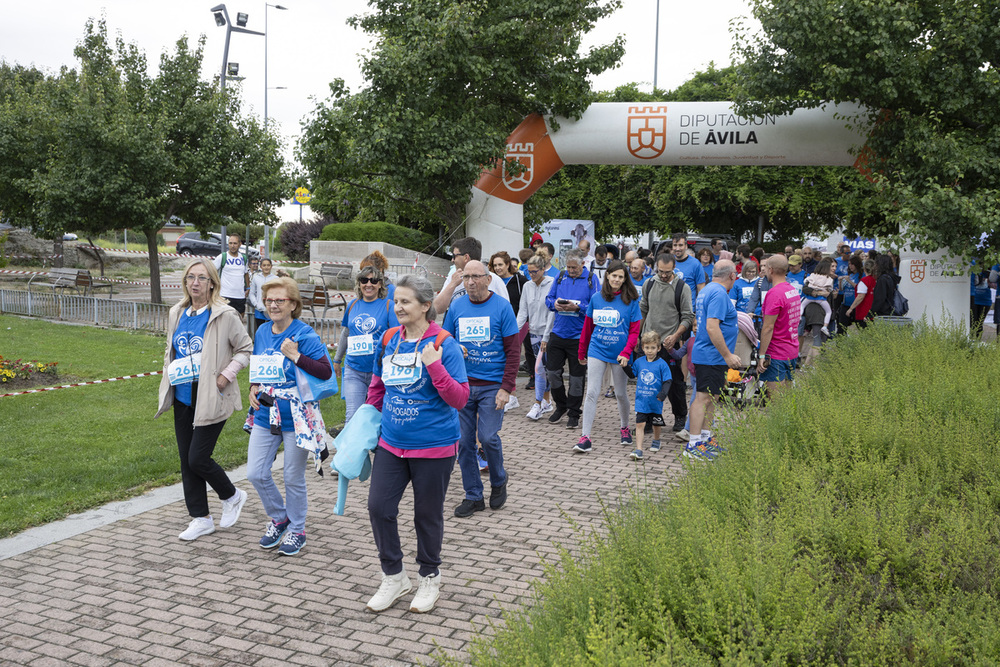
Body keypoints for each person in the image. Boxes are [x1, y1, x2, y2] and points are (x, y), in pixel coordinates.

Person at [364, 275, 470, 614]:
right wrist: (369, 422)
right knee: (379, 508)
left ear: (426, 305)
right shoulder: (390, 338)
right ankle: (394, 575)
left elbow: (460, 399)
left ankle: (429, 576)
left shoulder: (444, 343)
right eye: (396, 301)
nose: (398, 307)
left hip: (434, 446)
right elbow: (378, 385)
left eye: (406, 302)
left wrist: (435, 366)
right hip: (392, 444)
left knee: (426, 515)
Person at [155, 258, 253, 541]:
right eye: (190, 278)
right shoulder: (178, 312)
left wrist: (226, 374)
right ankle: (201, 518)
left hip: (213, 393)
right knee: (187, 460)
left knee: (198, 457)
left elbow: (245, 349)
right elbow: (170, 348)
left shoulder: (225, 314)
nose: (195, 283)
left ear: (212, 283)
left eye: (201, 278)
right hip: (184, 394)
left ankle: (232, 495)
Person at [247, 277, 333, 556]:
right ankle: (279, 517)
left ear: (293, 304)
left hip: (296, 416)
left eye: (279, 300)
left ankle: (297, 530)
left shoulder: (304, 334)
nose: (273, 304)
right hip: (265, 412)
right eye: (269, 300)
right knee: (256, 473)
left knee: (292, 476)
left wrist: (296, 356)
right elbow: (261, 367)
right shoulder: (262, 331)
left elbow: (325, 372)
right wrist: (253, 387)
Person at [442, 260, 519, 517]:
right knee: (464, 443)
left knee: (487, 437)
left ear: (488, 279)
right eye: (466, 278)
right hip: (463, 385)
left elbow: (513, 350)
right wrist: (454, 345)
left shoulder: (502, 307)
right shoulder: (457, 306)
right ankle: (473, 496)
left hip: (492, 385)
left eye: (476, 277)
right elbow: (443, 338)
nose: (471, 282)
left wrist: (506, 387)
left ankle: (498, 480)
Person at [574, 260, 642, 453]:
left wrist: (626, 352)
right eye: (614, 276)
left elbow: (635, 331)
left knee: (620, 393)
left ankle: (624, 428)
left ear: (624, 278)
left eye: (621, 276)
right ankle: (585, 437)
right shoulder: (596, 298)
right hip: (597, 350)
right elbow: (588, 327)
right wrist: (582, 351)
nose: (617, 280)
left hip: (620, 354)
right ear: (607, 276)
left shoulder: (632, 300)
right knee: (592, 392)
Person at [685, 261, 741, 461]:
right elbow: (711, 326)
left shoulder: (708, 289)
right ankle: (693, 444)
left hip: (712, 356)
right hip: (711, 355)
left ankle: (706, 439)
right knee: (703, 398)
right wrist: (727, 355)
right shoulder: (718, 293)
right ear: (733, 275)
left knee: (713, 398)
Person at [333, 266, 399, 425]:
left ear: (380, 285)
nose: (368, 284)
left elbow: (396, 337)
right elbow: (346, 333)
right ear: (359, 283)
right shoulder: (353, 304)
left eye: (373, 281)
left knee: (377, 418)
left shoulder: (389, 306)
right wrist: (337, 359)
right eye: (364, 280)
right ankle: (353, 450)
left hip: (379, 373)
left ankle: (377, 448)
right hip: (353, 370)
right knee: (352, 418)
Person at [639, 253, 694, 433]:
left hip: (670, 344)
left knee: (675, 383)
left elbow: (687, 317)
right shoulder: (649, 284)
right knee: (648, 384)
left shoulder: (682, 287)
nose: (663, 275)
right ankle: (648, 420)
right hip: (649, 343)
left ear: (674, 268)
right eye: (661, 271)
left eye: (667, 272)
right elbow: (643, 311)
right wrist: (638, 336)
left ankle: (680, 416)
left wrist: (676, 335)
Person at [544, 250, 598, 429]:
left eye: (574, 267)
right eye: (568, 267)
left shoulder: (591, 279)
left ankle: (574, 413)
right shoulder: (560, 277)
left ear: (583, 264)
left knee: (576, 379)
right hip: (558, 333)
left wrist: (579, 307)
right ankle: (561, 406)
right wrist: (555, 304)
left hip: (579, 337)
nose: (571, 270)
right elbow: (548, 299)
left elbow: (596, 305)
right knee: (552, 373)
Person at [756, 255, 801, 395]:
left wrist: (762, 355)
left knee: (776, 402)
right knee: (787, 400)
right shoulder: (792, 290)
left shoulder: (774, 293)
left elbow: (768, 327)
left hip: (777, 353)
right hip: (791, 350)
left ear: (771, 270)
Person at [517, 254, 555, 420]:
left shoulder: (552, 283)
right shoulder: (527, 286)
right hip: (533, 332)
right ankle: (546, 401)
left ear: (542, 269)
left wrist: (546, 336)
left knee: (541, 368)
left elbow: (552, 313)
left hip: (549, 333)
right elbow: (522, 312)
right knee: (541, 369)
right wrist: (513, 332)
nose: (531, 275)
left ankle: (539, 403)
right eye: (529, 272)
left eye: (534, 272)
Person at [627, 331, 672, 460]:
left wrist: (664, 393)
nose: (650, 351)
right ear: (643, 348)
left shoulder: (662, 364)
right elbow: (632, 374)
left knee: (656, 423)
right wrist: (624, 366)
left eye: (653, 348)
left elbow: (668, 380)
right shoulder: (639, 361)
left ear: (658, 348)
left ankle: (656, 440)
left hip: (655, 401)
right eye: (647, 348)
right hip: (641, 401)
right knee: (639, 424)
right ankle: (639, 449)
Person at [434, 237, 509, 313]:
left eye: (454, 256)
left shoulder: (495, 280)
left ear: (466, 257)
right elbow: (437, 309)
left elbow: (506, 311)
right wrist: (452, 284)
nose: (452, 260)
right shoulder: (453, 279)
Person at [213, 234, 248, 315]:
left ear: (240, 244)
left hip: (240, 296)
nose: (232, 246)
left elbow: (246, 273)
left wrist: (248, 287)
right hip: (225, 296)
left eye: (235, 243)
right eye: (230, 243)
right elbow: (211, 271)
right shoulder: (222, 257)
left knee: (239, 322)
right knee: (225, 322)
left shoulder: (243, 258)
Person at [802, 258, 836, 336]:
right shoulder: (815, 277)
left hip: (827, 315)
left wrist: (832, 295)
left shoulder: (830, 279)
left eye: (835, 266)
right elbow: (805, 289)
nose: (834, 268)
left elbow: (828, 295)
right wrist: (819, 293)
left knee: (824, 342)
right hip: (817, 314)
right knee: (818, 341)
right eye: (832, 266)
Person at [670, 232, 706, 298]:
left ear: (686, 246)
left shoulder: (695, 264)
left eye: (680, 245)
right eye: (675, 245)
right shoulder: (668, 261)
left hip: (688, 307)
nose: (677, 248)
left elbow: (701, 289)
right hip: (670, 307)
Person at [248, 257, 277, 336]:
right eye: (264, 265)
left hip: (272, 310)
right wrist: (256, 304)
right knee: (260, 331)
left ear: (271, 266)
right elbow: (252, 293)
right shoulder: (256, 278)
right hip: (259, 310)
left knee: (271, 331)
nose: (266, 267)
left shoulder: (275, 279)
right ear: (261, 266)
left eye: (268, 265)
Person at [845, 258, 877, 328]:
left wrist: (851, 308)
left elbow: (860, 296)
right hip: (874, 312)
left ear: (864, 269)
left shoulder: (864, 281)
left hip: (863, 312)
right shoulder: (876, 279)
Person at [836, 255, 864, 331]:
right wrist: (840, 281)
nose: (850, 266)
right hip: (846, 304)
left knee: (860, 327)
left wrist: (849, 281)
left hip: (856, 304)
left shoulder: (861, 275)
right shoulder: (850, 275)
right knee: (841, 326)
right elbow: (841, 289)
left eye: (852, 264)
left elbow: (859, 288)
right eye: (849, 264)